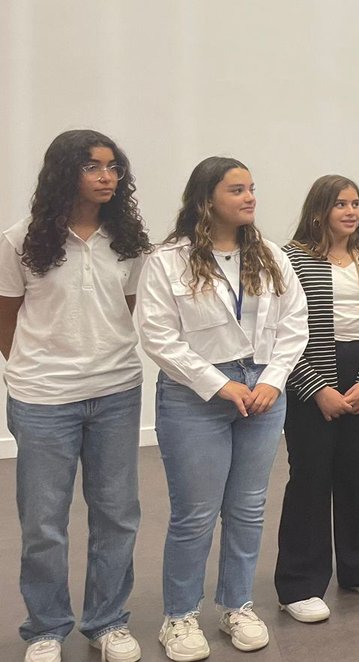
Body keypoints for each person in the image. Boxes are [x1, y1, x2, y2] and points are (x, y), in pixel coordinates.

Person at [138, 156, 309, 660]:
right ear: (206, 199)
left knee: (248, 507)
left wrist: (273, 382)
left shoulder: (272, 256)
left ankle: (237, 604)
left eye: (252, 188)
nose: (250, 197)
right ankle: (181, 617)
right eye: (237, 190)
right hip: (195, 397)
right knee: (195, 513)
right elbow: (159, 336)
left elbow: (293, 323)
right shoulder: (167, 260)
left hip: (262, 391)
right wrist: (219, 385)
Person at [0, 130, 151, 662]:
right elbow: (7, 319)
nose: (107, 176)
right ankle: (46, 628)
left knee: (117, 514)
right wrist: (29, 369)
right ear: (65, 173)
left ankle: (107, 622)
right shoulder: (20, 239)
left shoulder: (128, 239)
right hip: (43, 398)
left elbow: (129, 308)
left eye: (113, 167)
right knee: (44, 521)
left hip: (115, 391)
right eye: (93, 167)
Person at [275, 175, 359, 622]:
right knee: (310, 479)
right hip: (311, 379)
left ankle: (357, 567)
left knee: (355, 474)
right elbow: (280, 333)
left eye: (356, 203)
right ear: (319, 211)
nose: (351, 211)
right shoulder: (291, 259)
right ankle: (300, 584)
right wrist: (315, 389)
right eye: (340, 204)